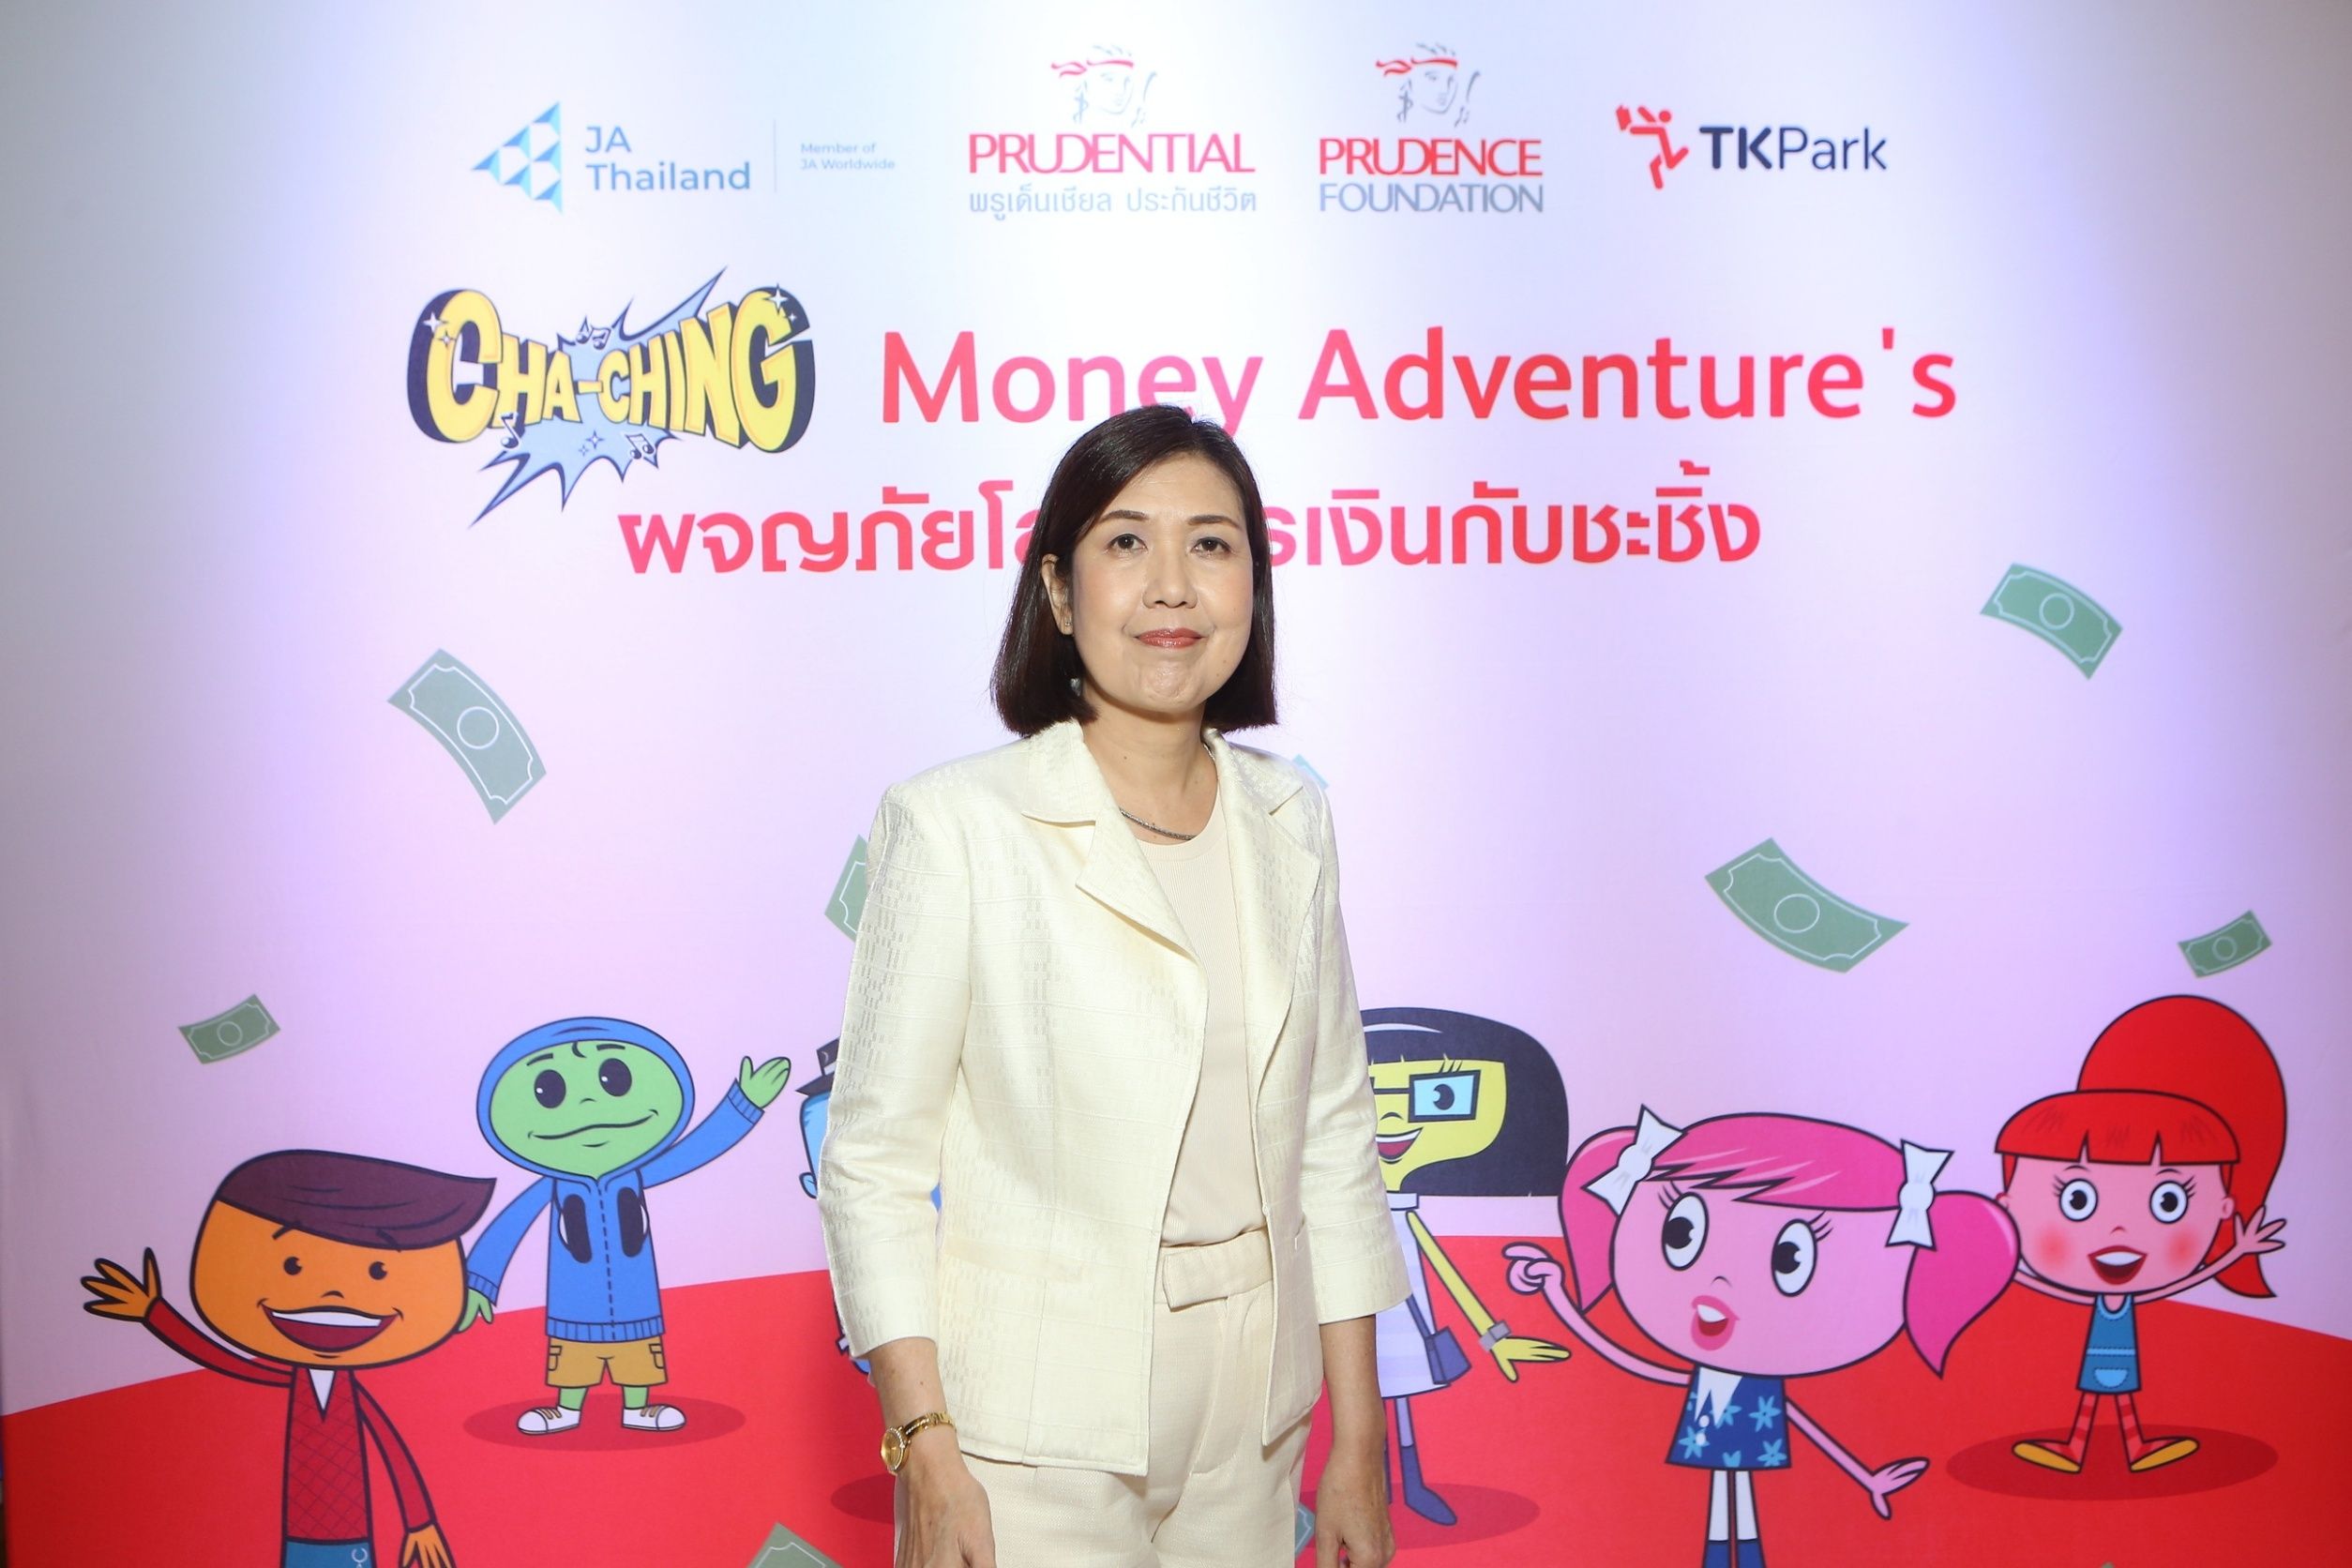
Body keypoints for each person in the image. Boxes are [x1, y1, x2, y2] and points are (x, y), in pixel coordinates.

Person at [816, 404, 1410, 1567]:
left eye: (1212, 544)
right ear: (1057, 590)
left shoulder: (1292, 817)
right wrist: (926, 1444)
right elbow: (873, 1163)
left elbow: (1335, 1135)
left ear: (1254, 585)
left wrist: (1359, 1434)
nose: (1172, 586)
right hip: (1031, 1431)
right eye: (1127, 542)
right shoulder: (957, 824)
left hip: (1258, 1414)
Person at [1504, 1110, 2016, 1568]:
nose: (1720, 1285)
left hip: (1752, 1430)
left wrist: (1866, 1477)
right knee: (1723, 1497)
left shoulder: (1760, 1385)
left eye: (1791, 1261)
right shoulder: (1713, 1375)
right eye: (1681, 1234)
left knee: (1740, 1498)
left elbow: (1802, 1421)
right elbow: (1627, 1359)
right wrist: (1556, 1291)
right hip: (1712, 1430)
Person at [82, 1148, 496, 1568]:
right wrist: (154, 1313)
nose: (334, 1294)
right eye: (293, 1265)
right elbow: (221, 1358)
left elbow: (393, 1450)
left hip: (351, 1533)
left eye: (377, 1271)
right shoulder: (291, 1379)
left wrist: (420, 1523)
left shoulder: (351, 1395)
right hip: (299, 1532)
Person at [1994, 994, 2288, 1474]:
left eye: (2168, 1202)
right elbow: (2044, 1285)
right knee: (2102, 1392)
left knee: (2112, 1392)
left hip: (2116, 1346)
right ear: (2009, 1205)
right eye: (2077, 1200)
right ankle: (2090, 1447)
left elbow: (2184, 1281)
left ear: (2222, 1207)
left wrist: (2239, 1250)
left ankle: (2121, 1447)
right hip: (2107, 1346)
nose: (2118, 1229)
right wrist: (2001, 1262)